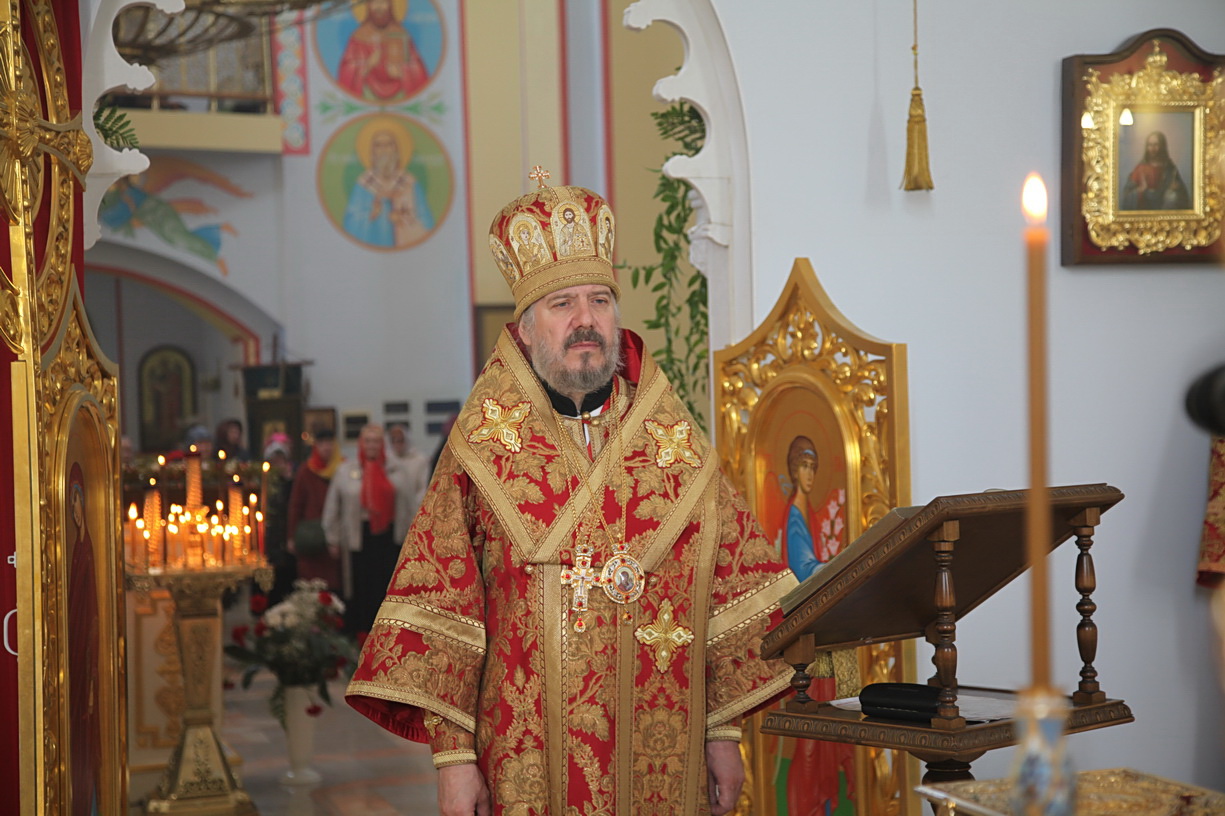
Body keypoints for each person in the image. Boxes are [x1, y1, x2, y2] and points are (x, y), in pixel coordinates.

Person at [346, 179, 798, 816]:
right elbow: (444, 613)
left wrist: (723, 732)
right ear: (527, 330)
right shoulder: (480, 449)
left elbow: (725, 593)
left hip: (664, 757)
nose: (586, 319)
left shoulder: (676, 446)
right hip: (523, 760)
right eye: (562, 303)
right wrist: (454, 761)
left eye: (600, 300)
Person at [322, 424, 416, 634]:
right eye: (367, 441)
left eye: (376, 441)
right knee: (360, 587)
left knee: (386, 586)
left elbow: (409, 505)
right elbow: (332, 507)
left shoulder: (397, 469)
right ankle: (362, 634)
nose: (371, 446)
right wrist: (333, 538)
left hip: (389, 537)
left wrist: (413, 538)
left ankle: (388, 633)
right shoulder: (346, 470)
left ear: (382, 444)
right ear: (360, 444)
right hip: (358, 537)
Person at [343, 121, 434, 248]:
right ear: (373, 152)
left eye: (388, 145)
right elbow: (351, 222)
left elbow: (426, 221)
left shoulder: (409, 182)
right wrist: (373, 214)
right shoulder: (363, 184)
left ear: (396, 150)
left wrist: (404, 219)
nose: (384, 149)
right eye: (378, 146)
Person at [337, 0, 430, 103]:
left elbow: (417, 68)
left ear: (390, 5)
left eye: (383, 2)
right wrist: (368, 65)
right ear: (368, 6)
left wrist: (402, 72)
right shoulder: (358, 38)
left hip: (400, 96)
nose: (379, 7)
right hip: (367, 95)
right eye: (374, 2)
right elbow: (347, 70)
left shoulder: (402, 36)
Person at [287, 428, 341, 591]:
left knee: (336, 582)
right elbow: (296, 504)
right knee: (312, 582)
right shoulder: (306, 470)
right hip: (312, 536)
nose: (326, 448)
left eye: (329, 443)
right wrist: (291, 536)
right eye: (322, 444)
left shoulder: (343, 469)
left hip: (337, 534)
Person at [1121, 130, 1190, 210]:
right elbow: (1127, 196)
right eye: (1150, 145)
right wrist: (1139, 191)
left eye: (1156, 144)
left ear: (1162, 146)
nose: (1152, 148)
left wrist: (1176, 190)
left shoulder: (1170, 169)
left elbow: (1183, 198)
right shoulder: (1140, 169)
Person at [386, 421, 430, 520]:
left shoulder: (419, 460)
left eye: (400, 440)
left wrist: (416, 507)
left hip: (414, 510)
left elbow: (423, 487)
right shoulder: (387, 460)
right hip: (393, 513)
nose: (397, 444)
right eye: (393, 440)